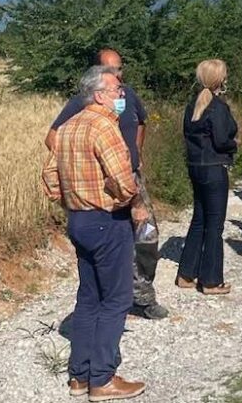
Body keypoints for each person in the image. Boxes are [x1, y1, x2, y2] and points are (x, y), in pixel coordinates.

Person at [42, 66, 146, 401]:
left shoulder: (68, 127)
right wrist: (131, 202)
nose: (122, 94)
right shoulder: (104, 126)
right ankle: (102, 379)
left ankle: (80, 376)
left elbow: (50, 175)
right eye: (117, 89)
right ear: (99, 95)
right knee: (117, 299)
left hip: (79, 220)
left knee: (89, 298)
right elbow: (123, 179)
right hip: (107, 219)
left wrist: (70, 201)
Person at [45, 49, 167, 321]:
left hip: (131, 178)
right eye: (110, 70)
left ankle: (142, 295)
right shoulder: (82, 101)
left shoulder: (127, 95)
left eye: (119, 69)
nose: (117, 75)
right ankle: (116, 299)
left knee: (147, 236)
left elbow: (141, 122)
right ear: (98, 73)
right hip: (104, 187)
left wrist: (137, 152)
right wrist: (82, 168)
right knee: (114, 242)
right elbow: (54, 137)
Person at [176, 59, 237, 295]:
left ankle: (186, 273)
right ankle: (211, 280)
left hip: (195, 166)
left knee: (199, 219)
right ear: (220, 79)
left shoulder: (192, 105)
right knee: (214, 224)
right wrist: (233, 145)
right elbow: (221, 140)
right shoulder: (218, 107)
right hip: (214, 168)